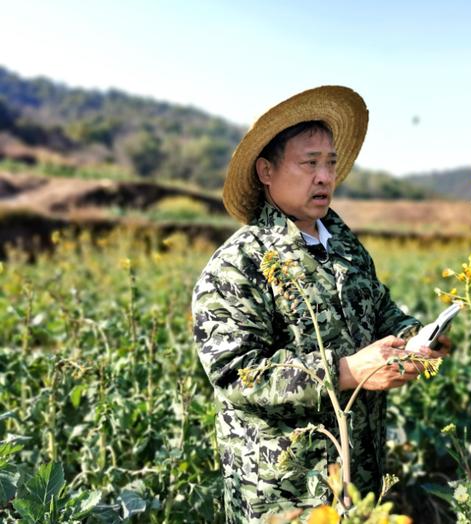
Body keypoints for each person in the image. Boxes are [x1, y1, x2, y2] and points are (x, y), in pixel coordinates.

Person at [191, 86, 450, 523]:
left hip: (357, 475)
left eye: (330, 163)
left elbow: (378, 305)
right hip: (284, 490)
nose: (325, 176)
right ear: (266, 171)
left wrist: (414, 337)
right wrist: (347, 372)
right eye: (309, 163)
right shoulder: (238, 264)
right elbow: (238, 373)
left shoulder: (344, 244)